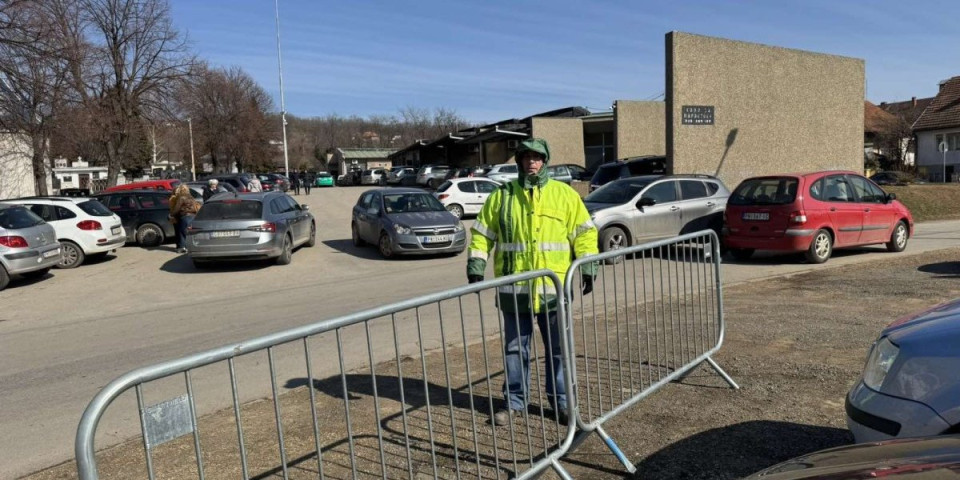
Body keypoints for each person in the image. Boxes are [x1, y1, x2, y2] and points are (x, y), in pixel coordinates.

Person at [466, 138, 598, 426]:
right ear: (519, 162)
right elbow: (481, 234)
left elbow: (585, 233)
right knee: (515, 349)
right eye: (526, 157)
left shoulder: (564, 195)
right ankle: (515, 402)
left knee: (559, 349)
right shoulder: (502, 197)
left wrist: (588, 267)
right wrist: (476, 263)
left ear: (545, 160)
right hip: (515, 294)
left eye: (537, 157)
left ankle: (562, 403)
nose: (531, 162)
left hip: (554, 291)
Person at [169, 184, 200, 254]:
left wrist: (171, 215)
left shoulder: (181, 197)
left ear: (180, 190)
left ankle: (184, 248)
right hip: (193, 216)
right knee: (189, 232)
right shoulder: (191, 196)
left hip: (185, 216)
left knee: (182, 232)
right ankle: (191, 247)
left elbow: (177, 208)